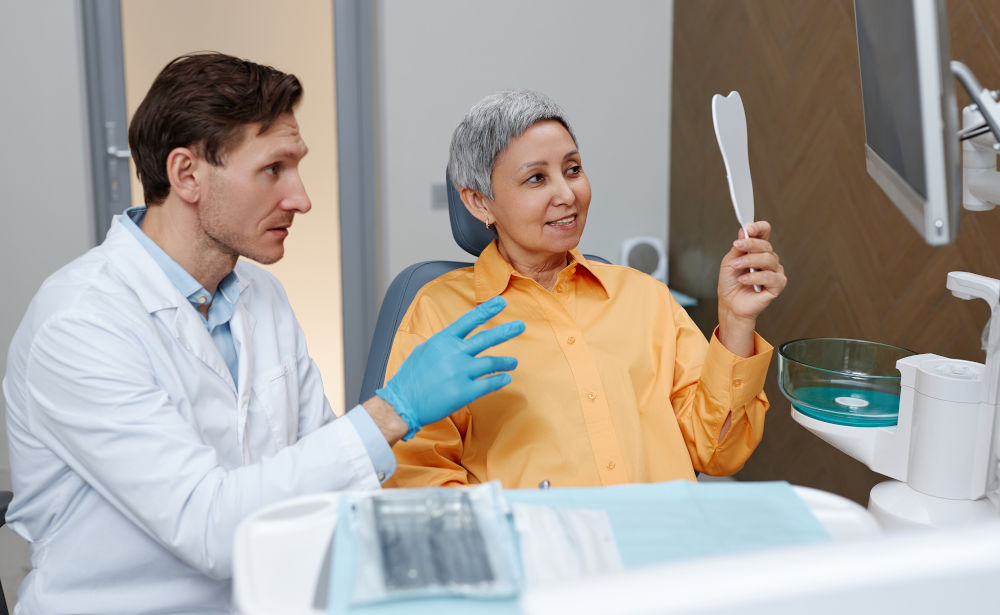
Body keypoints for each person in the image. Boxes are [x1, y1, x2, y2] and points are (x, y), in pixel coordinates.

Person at [1, 53, 524, 614]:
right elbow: (209, 527)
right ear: (187, 174)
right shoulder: (80, 324)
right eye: (273, 169)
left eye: (296, 167)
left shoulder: (259, 294)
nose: (301, 198)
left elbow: (328, 479)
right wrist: (391, 410)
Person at [384, 90, 787, 489]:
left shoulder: (646, 299)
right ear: (479, 203)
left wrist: (737, 322)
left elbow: (717, 453)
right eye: (537, 178)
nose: (567, 194)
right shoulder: (441, 314)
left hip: (662, 543)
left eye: (573, 169)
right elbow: (419, 478)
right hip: (533, 551)